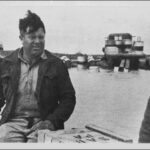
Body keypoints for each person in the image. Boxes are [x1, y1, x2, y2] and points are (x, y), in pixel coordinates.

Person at [0, 10, 76, 143]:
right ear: (21, 38)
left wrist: (51, 122)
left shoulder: (57, 65)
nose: (37, 41)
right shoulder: (6, 64)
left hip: (43, 124)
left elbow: (68, 99)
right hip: (12, 123)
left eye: (41, 37)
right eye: (32, 37)